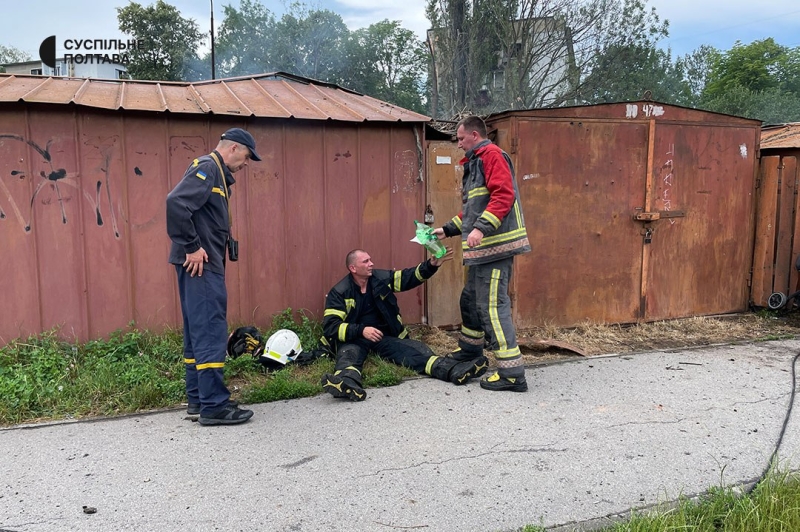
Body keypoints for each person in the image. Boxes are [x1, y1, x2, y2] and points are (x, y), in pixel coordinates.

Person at [166, 128, 261, 425]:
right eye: (246, 158)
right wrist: (192, 247)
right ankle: (214, 406)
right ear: (233, 148)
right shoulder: (208, 168)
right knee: (209, 330)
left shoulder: (217, 174)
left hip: (202, 265)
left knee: (198, 333)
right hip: (201, 265)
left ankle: (198, 400)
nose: (245, 165)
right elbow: (176, 203)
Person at [433, 115, 531, 392]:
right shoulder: (476, 160)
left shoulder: (492, 156)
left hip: (495, 248)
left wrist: (480, 229)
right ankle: (471, 351)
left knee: (492, 308)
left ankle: (512, 374)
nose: (459, 143)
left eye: (461, 138)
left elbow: (503, 195)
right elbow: (475, 208)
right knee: (470, 300)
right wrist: (447, 229)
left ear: (475, 135)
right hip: (482, 250)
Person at [319, 248, 489, 401]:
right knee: (349, 356)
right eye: (366, 261)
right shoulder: (340, 292)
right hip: (354, 338)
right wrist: (362, 330)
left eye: (370, 260)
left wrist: (431, 264)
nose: (371, 264)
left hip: (382, 337)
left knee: (414, 351)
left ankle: (455, 371)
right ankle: (346, 384)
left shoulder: (380, 279)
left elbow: (408, 278)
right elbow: (331, 326)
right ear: (353, 268)